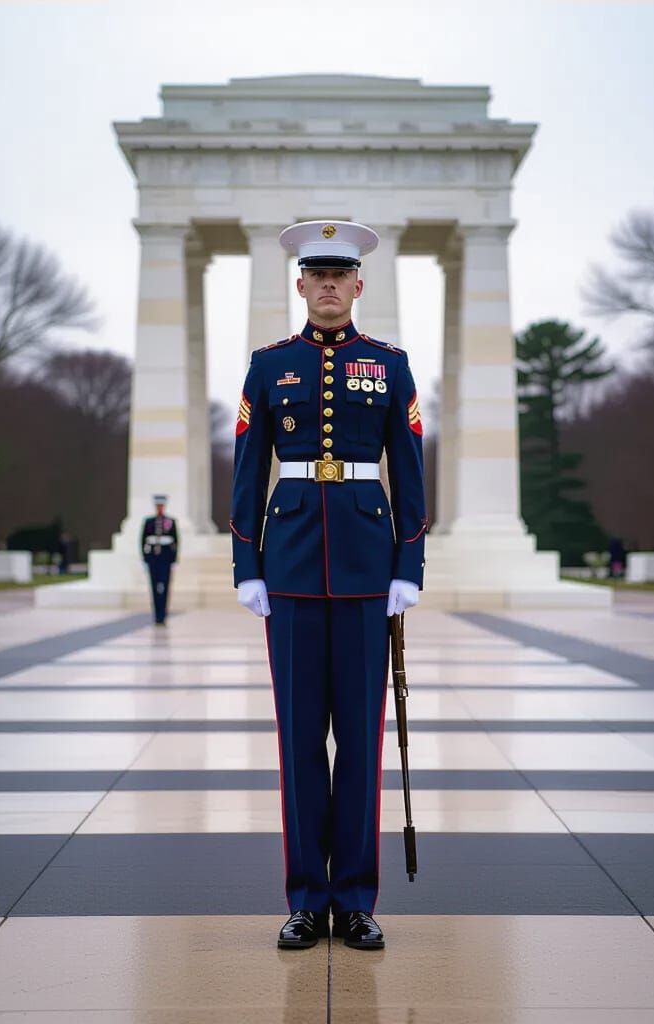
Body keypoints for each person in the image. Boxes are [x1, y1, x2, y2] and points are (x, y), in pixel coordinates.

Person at [230, 220, 428, 951]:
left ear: (358, 285)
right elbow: (250, 472)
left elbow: (408, 473)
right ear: (301, 284)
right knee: (298, 743)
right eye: (318, 275)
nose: (329, 286)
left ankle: (355, 899)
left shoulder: (390, 365)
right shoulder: (268, 365)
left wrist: (409, 567)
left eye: (341, 275)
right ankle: (307, 899)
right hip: (288, 569)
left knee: (363, 744)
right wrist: (246, 564)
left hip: (367, 570)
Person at [141, 494, 178, 625]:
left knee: (165, 587)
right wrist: (145, 559)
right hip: (153, 559)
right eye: (158, 506)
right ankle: (157, 615)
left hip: (165, 559)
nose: (160, 508)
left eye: (161, 505)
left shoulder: (170, 521)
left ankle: (163, 614)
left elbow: (175, 542)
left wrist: (174, 560)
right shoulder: (149, 522)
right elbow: (143, 540)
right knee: (154, 586)